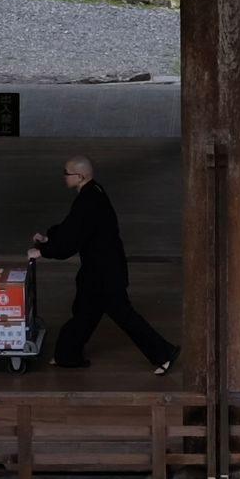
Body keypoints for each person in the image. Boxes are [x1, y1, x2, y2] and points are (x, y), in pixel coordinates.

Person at [29, 156, 178, 373]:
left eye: (66, 173)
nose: (64, 176)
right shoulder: (92, 192)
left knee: (123, 315)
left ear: (80, 176)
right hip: (96, 270)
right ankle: (67, 356)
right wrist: (49, 239)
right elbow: (72, 228)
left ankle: (164, 354)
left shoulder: (89, 200)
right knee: (84, 312)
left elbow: (72, 239)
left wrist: (43, 251)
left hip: (106, 273)